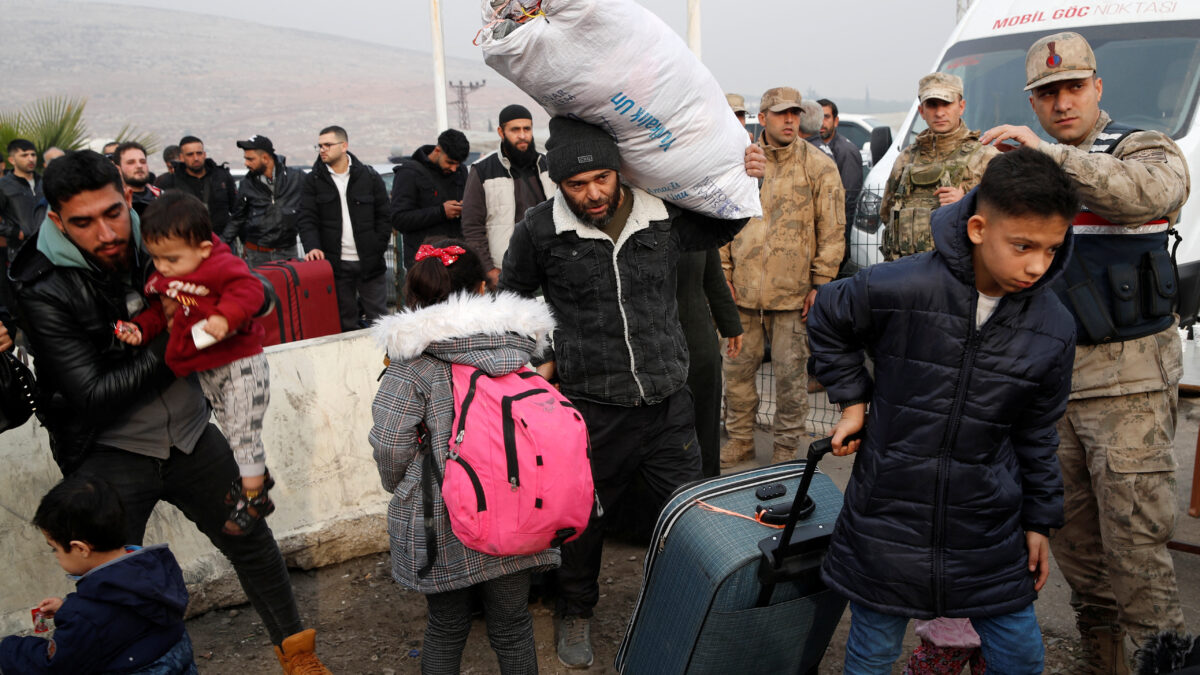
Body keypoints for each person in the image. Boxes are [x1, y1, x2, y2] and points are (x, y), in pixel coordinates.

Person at [8, 150, 330, 673]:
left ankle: (299, 657)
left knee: (251, 542)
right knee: (109, 581)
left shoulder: (170, 226)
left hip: (191, 431)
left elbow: (245, 285)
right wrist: (191, 338)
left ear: (127, 196)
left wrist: (254, 302)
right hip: (109, 449)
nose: (107, 232)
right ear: (56, 220)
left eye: (113, 213)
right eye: (84, 223)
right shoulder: (41, 284)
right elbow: (91, 394)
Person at [500, 116, 764, 668]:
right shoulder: (538, 230)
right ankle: (576, 613)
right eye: (577, 184)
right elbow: (513, 304)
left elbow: (724, 224)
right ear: (557, 184)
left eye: (601, 178)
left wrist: (748, 179)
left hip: (669, 399)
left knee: (695, 518)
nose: (593, 193)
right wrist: (539, 360)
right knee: (583, 521)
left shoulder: (660, 214)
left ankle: (699, 612)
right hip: (591, 409)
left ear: (618, 171)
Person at [809, 148, 1079, 674]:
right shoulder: (903, 285)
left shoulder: (1054, 326)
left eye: (1051, 249)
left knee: (1021, 655)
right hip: (887, 514)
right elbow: (828, 315)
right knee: (872, 653)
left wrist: (1040, 521)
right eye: (1022, 245)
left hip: (989, 527)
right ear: (978, 228)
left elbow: (1038, 432)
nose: (1036, 265)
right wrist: (853, 401)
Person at [981, 31, 1192, 670]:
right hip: (1047, 389)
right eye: (1047, 93)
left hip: (1129, 387)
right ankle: (1104, 662)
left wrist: (1046, 157)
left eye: (1073, 87)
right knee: (1076, 552)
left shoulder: (1142, 146)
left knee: (1136, 549)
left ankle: (1166, 661)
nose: (1062, 103)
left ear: (1098, 87)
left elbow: (1150, 193)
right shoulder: (1019, 164)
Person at [370, 240, 559, 674]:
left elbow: (390, 444)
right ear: (479, 290)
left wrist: (400, 484)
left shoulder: (409, 365)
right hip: (516, 506)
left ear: (413, 295)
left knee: (447, 625)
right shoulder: (514, 351)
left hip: (444, 515)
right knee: (513, 625)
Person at [114, 191, 275, 537]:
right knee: (233, 430)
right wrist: (140, 329)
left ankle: (256, 497)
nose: (162, 268)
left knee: (245, 435)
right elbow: (159, 312)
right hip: (208, 369)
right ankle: (256, 477)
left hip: (241, 364)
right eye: (156, 258)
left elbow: (250, 290)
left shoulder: (219, 265)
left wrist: (226, 316)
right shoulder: (166, 276)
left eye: (171, 259)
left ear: (202, 249)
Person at [720, 86, 845, 467]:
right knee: (737, 377)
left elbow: (833, 228)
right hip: (741, 298)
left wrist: (820, 284)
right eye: (780, 114)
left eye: (794, 113)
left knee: (791, 382)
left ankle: (786, 449)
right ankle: (740, 440)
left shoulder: (818, 166)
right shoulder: (740, 163)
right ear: (763, 118)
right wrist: (723, 272)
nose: (790, 120)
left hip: (793, 299)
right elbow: (722, 218)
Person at [0, 475, 198, 674]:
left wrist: (8, 650)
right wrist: (67, 609)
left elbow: (51, 666)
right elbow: (122, 622)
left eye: (54, 549)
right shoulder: (158, 571)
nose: (56, 555)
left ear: (80, 548)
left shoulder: (86, 618)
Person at [880, 74, 998, 262]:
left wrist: (967, 203)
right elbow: (887, 213)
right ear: (921, 111)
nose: (939, 112)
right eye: (932, 105)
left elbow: (1006, 219)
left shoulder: (986, 156)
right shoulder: (906, 158)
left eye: (946, 104)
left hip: (958, 272)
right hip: (903, 272)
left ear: (961, 106)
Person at [299, 125, 392, 331]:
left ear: (344, 146)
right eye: (320, 146)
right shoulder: (313, 180)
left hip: (370, 261)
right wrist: (312, 246)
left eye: (328, 145)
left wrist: (378, 245)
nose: (322, 150)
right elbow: (307, 218)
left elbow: (384, 215)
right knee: (343, 321)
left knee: (380, 320)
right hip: (335, 265)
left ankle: (386, 362)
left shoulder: (369, 176)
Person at [461, 105, 554, 286]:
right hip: (506, 271)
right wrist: (489, 270)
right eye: (515, 129)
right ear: (501, 132)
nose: (522, 135)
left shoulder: (548, 165)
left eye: (527, 129)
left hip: (550, 268)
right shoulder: (482, 171)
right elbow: (472, 226)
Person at [676, 248, 742, 477]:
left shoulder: (696, 220)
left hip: (697, 340)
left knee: (704, 426)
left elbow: (714, 277)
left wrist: (730, 322)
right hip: (651, 343)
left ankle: (706, 490)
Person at [391, 129, 470, 271]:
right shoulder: (410, 173)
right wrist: (441, 212)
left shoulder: (461, 171)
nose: (453, 169)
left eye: (457, 164)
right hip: (424, 265)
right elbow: (399, 219)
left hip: (457, 261)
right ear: (437, 150)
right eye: (450, 162)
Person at [229, 135, 304, 264]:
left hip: (287, 253)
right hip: (257, 255)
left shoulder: (296, 178)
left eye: (250, 159)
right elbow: (237, 219)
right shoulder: (246, 184)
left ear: (265, 158)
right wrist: (220, 245)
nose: (246, 163)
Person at [155, 136, 237, 246]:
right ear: (181, 157)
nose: (196, 158)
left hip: (223, 243)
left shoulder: (222, 177)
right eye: (190, 154)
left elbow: (237, 211)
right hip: (187, 246)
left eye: (199, 153)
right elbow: (162, 218)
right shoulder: (169, 182)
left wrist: (226, 238)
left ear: (204, 154)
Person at [817, 98, 865, 265]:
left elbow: (848, 199)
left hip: (836, 231)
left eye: (826, 117)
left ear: (835, 121)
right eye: (817, 117)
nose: (821, 123)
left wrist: (840, 240)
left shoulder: (845, 151)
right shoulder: (814, 148)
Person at [0, 138, 47, 260]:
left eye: (33, 155)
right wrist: (15, 232)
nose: (30, 159)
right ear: (12, 160)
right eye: (24, 155)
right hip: (20, 253)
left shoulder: (45, 182)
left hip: (48, 250)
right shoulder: (3, 186)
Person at [115, 141, 162, 216]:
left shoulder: (162, 197)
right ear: (118, 169)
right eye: (131, 162)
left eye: (143, 161)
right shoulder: (114, 201)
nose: (139, 166)